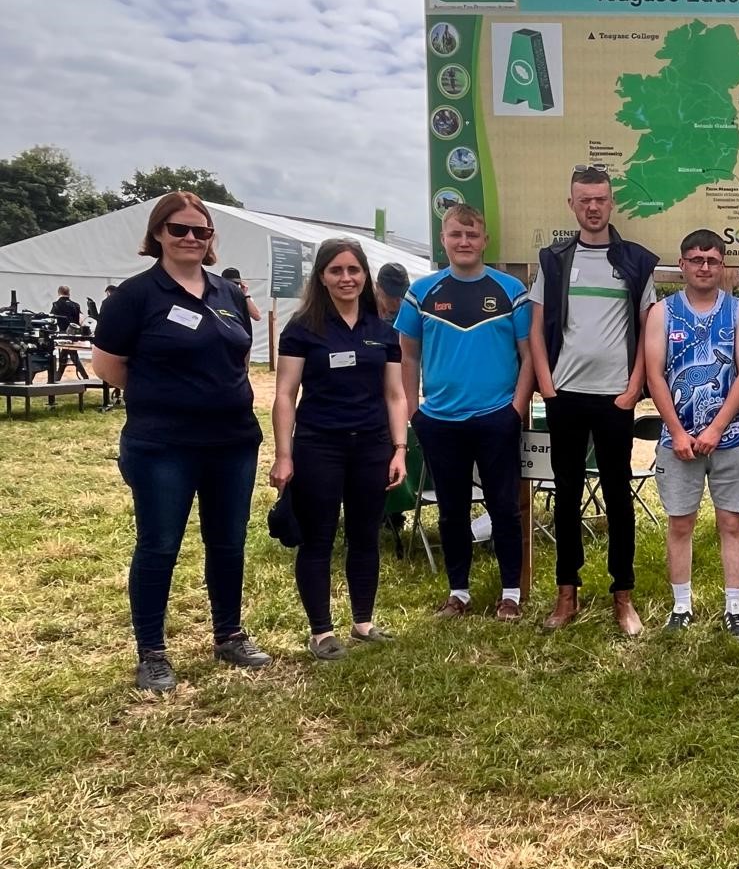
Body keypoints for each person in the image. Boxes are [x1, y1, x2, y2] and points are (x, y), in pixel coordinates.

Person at [91, 192, 270, 692]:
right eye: (179, 229)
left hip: (232, 440)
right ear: (158, 235)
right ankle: (151, 652)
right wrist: (166, 395)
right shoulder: (136, 295)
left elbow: (234, 357)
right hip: (164, 444)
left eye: (201, 231)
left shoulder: (227, 293)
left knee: (229, 541)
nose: (191, 238)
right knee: (160, 544)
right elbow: (106, 366)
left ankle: (229, 634)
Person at [530, 166, 658, 636]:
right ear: (572, 204)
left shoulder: (636, 261)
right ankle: (567, 594)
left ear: (611, 202)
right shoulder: (554, 260)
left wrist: (632, 390)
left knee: (618, 497)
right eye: (584, 200)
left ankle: (622, 596)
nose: (593, 207)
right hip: (564, 396)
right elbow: (538, 327)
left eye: (601, 199)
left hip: (616, 399)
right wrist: (547, 384)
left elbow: (648, 332)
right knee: (565, 497)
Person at [269, 239, 409, 660]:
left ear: (365, 275)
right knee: (319, 538)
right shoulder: (302, 329)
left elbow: (395, 395)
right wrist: (283, 453)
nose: (346, 278)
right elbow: (284, 394)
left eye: (354, 270)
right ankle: (321, 632)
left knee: (365, 535)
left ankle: (363, 622)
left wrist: (399, 448)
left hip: (371, 447)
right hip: (318, 447)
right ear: (322, 277)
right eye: (336, 270)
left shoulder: (382, 331)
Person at [395, 204, 534, 620]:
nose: (465, 242)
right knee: (452, 510)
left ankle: (511, 594)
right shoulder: (421, 292)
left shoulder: (511, 290)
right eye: (456, 234)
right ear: (443, 239)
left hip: (497, 418)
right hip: (439, 421)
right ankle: (459, 592)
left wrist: (516, 409)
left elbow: (529, 355)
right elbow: (407, 356)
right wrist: (414, 412)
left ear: (485, 240)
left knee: (504, 507)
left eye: (472, 235)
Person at [643, 230, 739, 636]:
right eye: (695, 259)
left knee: (731, 523)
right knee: (680, 523)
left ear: (722, 264)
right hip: (678, 441)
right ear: (683, 263)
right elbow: (654, 375)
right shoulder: (662, 312)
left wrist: (716, 427)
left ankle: (735, 608)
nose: (703, 266)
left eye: (711, 259)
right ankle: (681, 606)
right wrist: (676, 430)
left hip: (729, 439)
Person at [50, 286, 87, 378]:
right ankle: (58, 377)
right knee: (69, 354)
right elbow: (79, 319)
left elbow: (52, 318)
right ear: (69, 293)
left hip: (63, 333)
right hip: (74, 333)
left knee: (70, 354)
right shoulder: (76, 305)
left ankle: (58, 377)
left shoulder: (56, 304)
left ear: (59, 293)